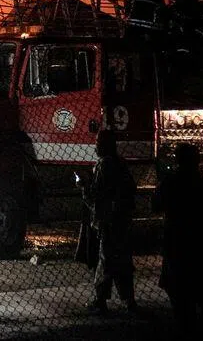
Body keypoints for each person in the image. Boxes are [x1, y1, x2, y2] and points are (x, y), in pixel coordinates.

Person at [153, 143, 203, 336]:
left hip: (177, 242)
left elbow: (156, 205)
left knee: (180, 293)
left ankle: (187, 328)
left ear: (177, 160)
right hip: (202, 243)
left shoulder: (169, 183)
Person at [78, 128, 138, 314]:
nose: (95, 145)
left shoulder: (104, 165)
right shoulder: (121, 164)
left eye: (97, 142)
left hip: (108, 220)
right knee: (122, 260)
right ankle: (128, 300)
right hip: (121, 219)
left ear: (104, 145)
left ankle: (100, 300)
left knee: (105, 260)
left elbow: (95, 196)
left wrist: (83, 187)